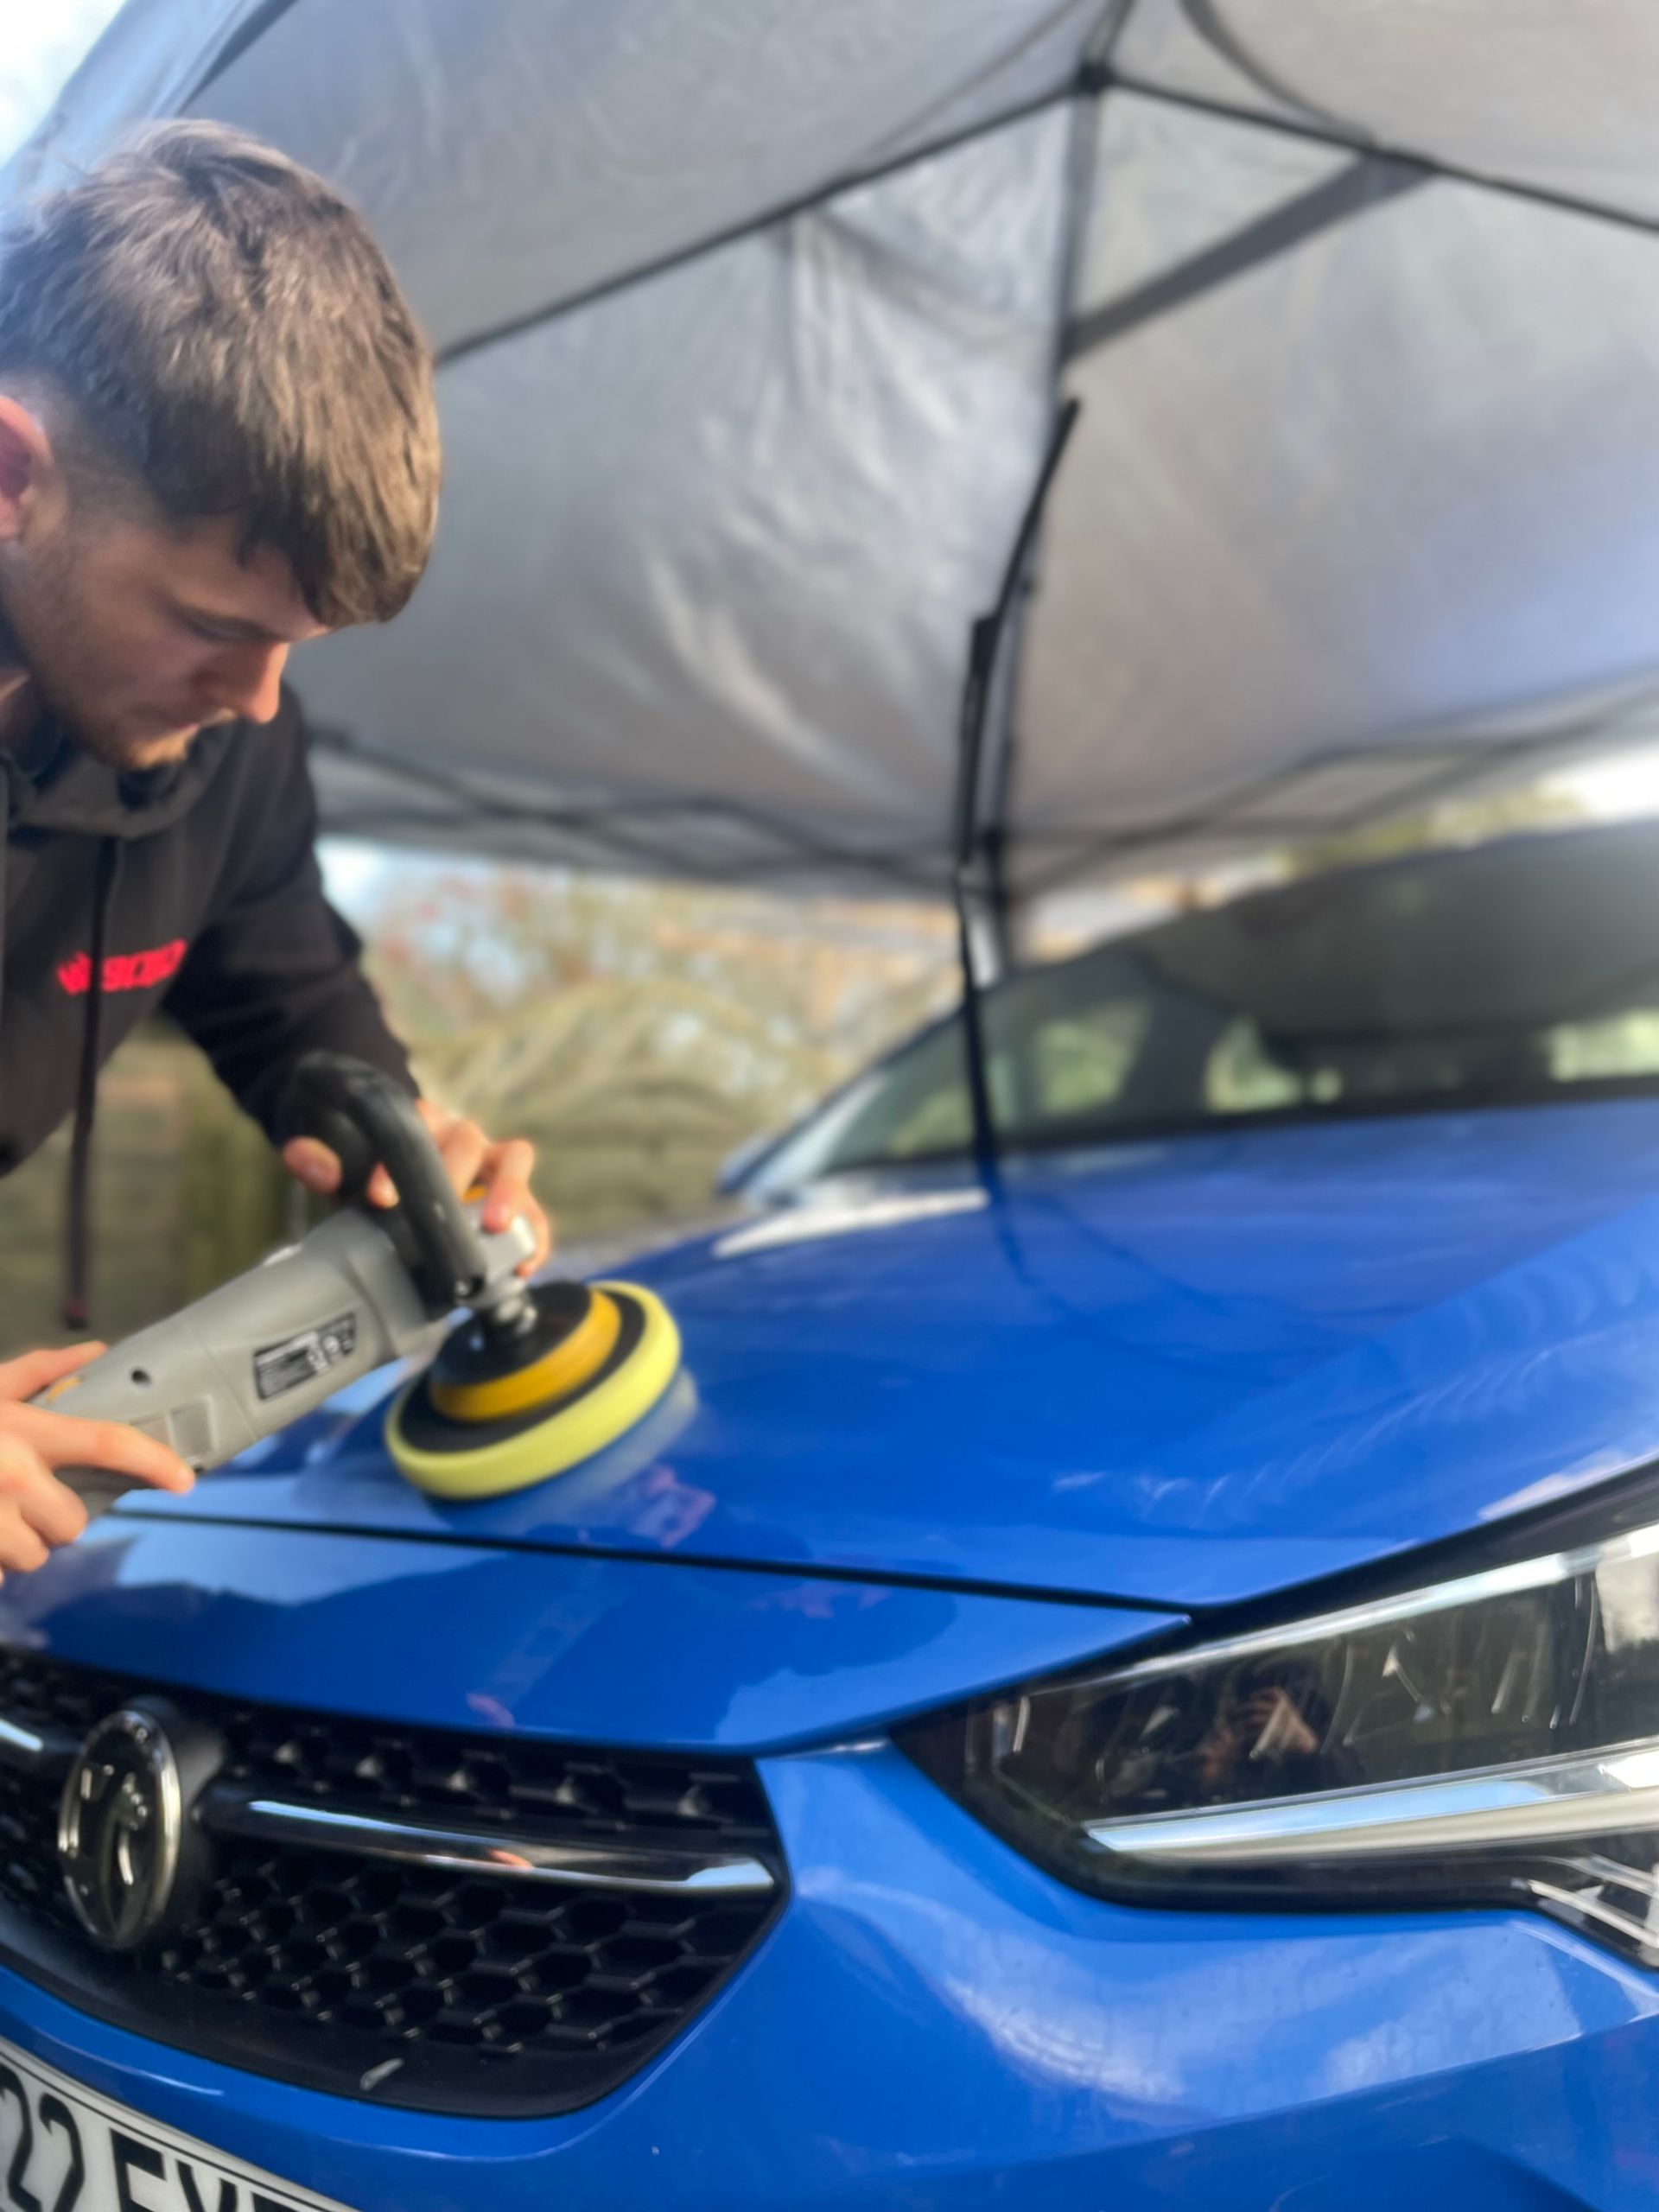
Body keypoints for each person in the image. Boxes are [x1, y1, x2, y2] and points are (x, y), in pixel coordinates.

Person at [0, 121, 551, 1574]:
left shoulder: (224, 740)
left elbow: (284, 983)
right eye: (212, 625)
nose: (255, 700)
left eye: (295, 645)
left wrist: (394, 1132)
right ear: (12, 474)